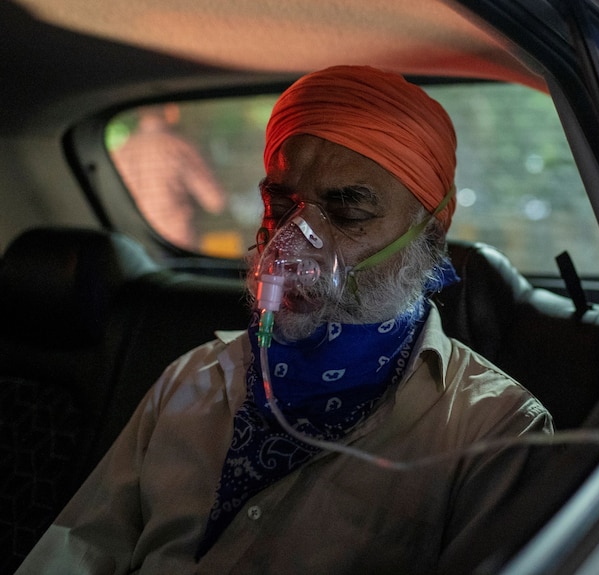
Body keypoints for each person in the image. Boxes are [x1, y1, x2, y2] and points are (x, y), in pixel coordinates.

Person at [17, 65, 552, 574]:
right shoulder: (192, 379)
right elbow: (78, 548)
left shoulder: (494, 431)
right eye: (281, 203)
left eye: (346, 211)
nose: (292, 241)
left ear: (433, 227)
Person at [112, 104, 227, 249]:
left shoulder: (120, 151)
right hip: (178, 245)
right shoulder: (178, 147)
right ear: (171, 110)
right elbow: (215, 201)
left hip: (137, 244)